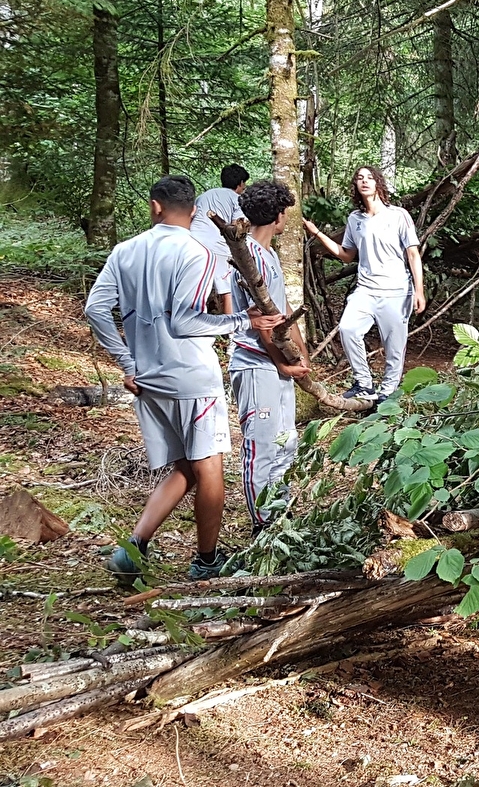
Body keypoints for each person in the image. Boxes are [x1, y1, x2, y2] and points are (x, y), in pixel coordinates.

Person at [85, 175, 284, 582]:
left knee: (186, 467)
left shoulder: (125, 251)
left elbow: (95, 309)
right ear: (194, 211)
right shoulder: (197, 252)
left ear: (155, 206)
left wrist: (127, 363)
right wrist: (242, 321)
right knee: (209, 467)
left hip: (148, 378)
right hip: (191, 375)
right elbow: (186, 321)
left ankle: (132, 550)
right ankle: (207, 560)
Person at [303, 166, 425, 404]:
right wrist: (317, 232)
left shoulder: (398, 215)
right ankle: (364, 383)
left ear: (379, 183)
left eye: (370, 177)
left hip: (396, 291)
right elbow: (347, 255)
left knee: (394, 346)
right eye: (360, 178)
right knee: (348, 329)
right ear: (356, 186)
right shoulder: (355, 219)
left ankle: (388, 392)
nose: (365, 181)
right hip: (366, 290)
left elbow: (413, 254)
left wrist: (419, 290)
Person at [229, 179, 310, 535]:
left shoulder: (270, 255)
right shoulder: (245, 256)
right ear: (278, 216)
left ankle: (282, 520)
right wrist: (280, 362)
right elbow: (261, 320)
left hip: (277, 366)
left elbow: (282, 310)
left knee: (285, 444)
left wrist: (300, 352)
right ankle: (263, 528)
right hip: (254, 365)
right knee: (261, 448)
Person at [189, 164, 250, 314]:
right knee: (226, 290)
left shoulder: (204, 196)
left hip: (192, 242)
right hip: (217, 245)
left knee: (195, 286)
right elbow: (237, 227)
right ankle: (230, 330)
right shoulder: (237, 199)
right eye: (244, 184)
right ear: (240, 183)